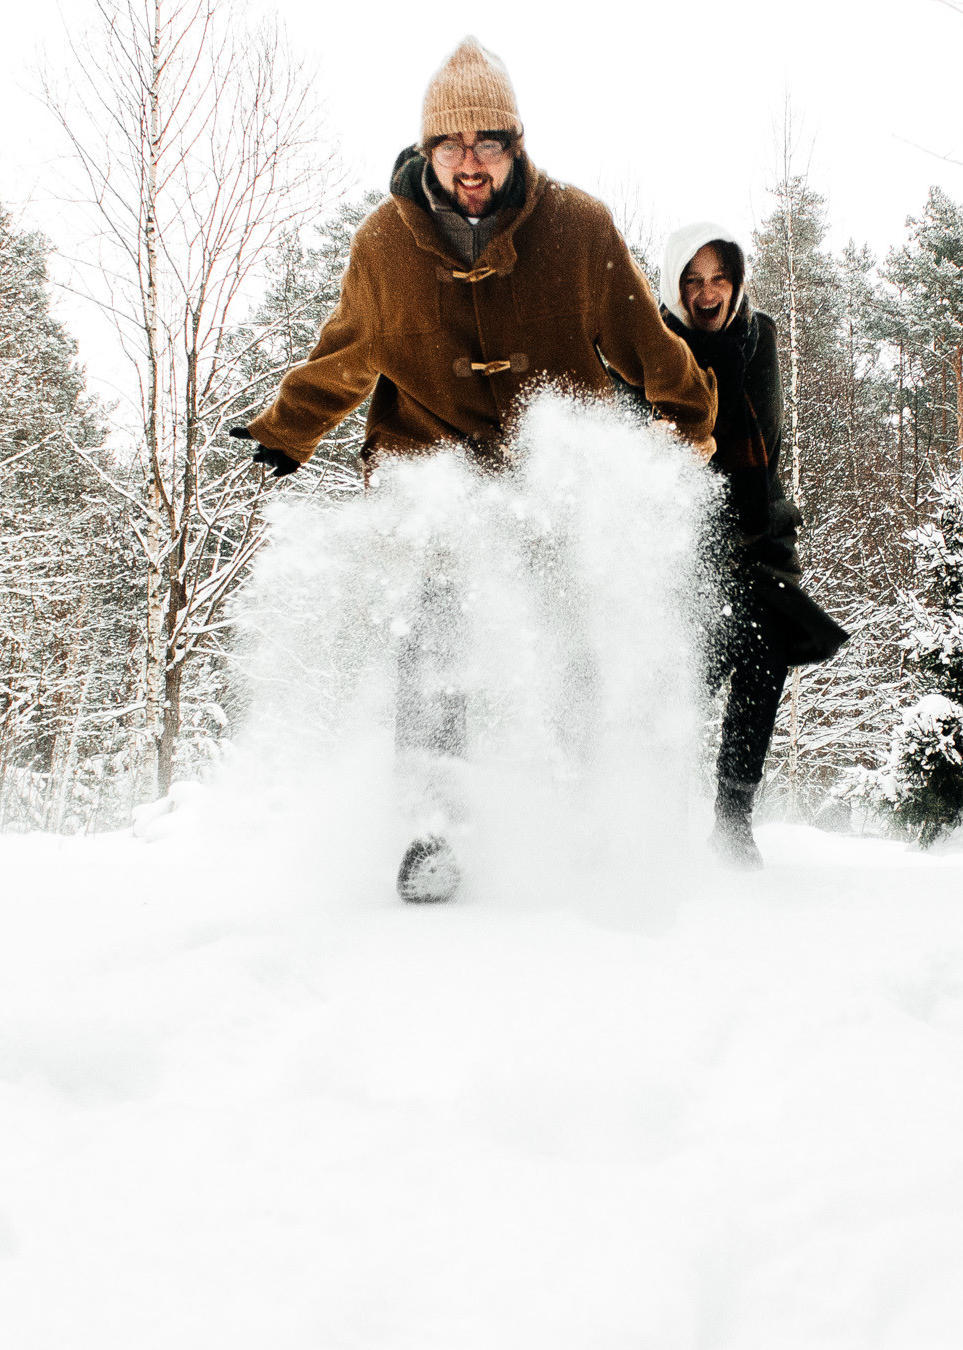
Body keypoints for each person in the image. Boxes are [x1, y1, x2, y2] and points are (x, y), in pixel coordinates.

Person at [235, 37, 715, 902]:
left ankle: (591, 818)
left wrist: (689, 421)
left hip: (548, 477)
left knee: (572, 642)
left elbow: (646, 341)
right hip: (435, 469)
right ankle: (431, 834)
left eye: (487, 142)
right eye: (451, 145)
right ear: (427, 151)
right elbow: (348, 351)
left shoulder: (578, 227)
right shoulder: (386, 242)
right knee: (434, 642)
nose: (469, 162)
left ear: (514, 145)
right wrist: (290, 427)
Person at [658, 223, 843, 870]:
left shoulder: (757, 336)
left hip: (755, 536)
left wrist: (693, 434)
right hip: (675, 547)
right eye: (693, 280)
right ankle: (641, 811)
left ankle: (733, 820)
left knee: (763, 659)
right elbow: (635, 427)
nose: (707, 293)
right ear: (675, 285)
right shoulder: (653, 343)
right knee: (682, 682)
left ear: (735, 282)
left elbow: (757, 435)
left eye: (718, 279)